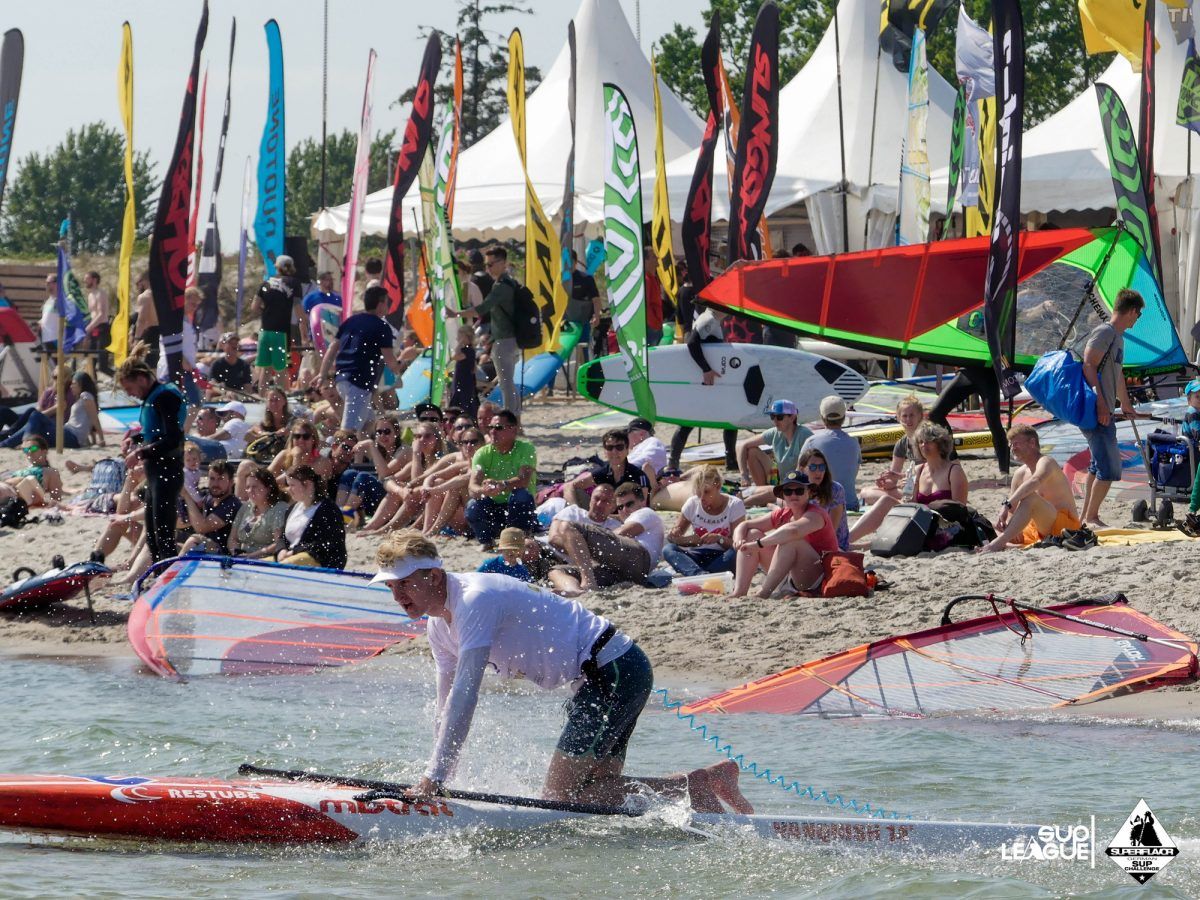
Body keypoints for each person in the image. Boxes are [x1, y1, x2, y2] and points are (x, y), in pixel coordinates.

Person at [370, 530, 753, 811]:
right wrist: (441, 779)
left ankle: (693, 787)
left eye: (405, 584)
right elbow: (446, 705)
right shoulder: (439, 626)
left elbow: (466, 696)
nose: (398, 595)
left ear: (433, 576)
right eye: (391, 587)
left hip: (615, 670)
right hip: (605, 674)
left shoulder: (473, 601)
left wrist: (432, 780)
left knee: (560, 798)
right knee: (593, 792)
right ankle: (698, 784)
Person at [1080, 288, 1144, 526]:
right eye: (1138, 315)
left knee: (1097, 465)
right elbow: (1088, 365)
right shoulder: (1105, 332)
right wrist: (1101, 404)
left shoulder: (1117, 337)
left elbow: (1117, 376)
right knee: (1108, 467)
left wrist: (1126, 406)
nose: (1137, 320)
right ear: (1132, 311)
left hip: (1104, 409)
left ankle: (1086, 515)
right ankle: (1092, 516)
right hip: (1096, 410)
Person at [317, 284, 414, 433]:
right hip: (359, 383)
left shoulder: (350, 321)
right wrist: (402, 361)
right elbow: (391, 362)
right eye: (387, 303)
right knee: (347, 432)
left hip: (341, 380)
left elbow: (332, 349)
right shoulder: (382, 326)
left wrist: (322, 374)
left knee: (369, 425)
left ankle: (366, 455)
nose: (388, 306)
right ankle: (340, 454)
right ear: (381, 305)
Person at [118, 357, 186, 563]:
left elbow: (173, 439)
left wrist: (140, 454)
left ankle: (168, 578)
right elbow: (154, 433)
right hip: (156, 473)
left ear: (141, 378)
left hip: (168, 472)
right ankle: (159, 576)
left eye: (130, 387)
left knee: (163, 534)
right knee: (153, 535)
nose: (130, 393)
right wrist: (134, 439)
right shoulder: (153, 398)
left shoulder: (165, 397)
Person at [731, 469, 838, 599]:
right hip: (791, 576)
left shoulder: (816, 514)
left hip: (818, 578)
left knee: (791, 540)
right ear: (783, 495)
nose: (793, 495)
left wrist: (758, 544)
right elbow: (745, 525)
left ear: (809, 492)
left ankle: (763, 593)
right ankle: (739, 592)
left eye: (799, 490)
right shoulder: (783, 513)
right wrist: (738, 541)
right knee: (752, 533)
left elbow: (793, 531)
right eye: (788, 491)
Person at [980, 425, 1082, 552]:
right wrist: (1008, 525)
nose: (1012, 448)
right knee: (989, 524)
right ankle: (1004, 541)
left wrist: (1006, 504)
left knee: (1031, 498)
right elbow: (1013, 511)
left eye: (1016, 444)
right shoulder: (1019, 474)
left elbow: (1035, 481)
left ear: (1032, 443)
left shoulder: (1047, 462)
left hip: (1065, 528)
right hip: (1036, 530)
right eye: (1010, 445)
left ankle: (997, 544)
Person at [548, 483, 663, 594]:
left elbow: (622, 533)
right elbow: (553, 539)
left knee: (569, 526)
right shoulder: (621, 521)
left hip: (639, 558)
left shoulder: (646, 512)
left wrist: (579, 542)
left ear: (642, 502)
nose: (624, 510)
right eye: (620, 507)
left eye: (629, 504)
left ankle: (588, 582)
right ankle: (574, 590)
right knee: (556, 571)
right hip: (625, 573)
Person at [847, 394, 925, 545]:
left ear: (920, 416)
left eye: (911, 416)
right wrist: (886, 482)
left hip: (921, 491)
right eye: (905, 416)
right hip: (908, 489)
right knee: (866, 491)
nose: (908, 420)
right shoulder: (902, 443)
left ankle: (847, 540)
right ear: (898, 418)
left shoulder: (924, 441)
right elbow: (894, 475)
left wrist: (898, 478)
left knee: (878, 498)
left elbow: (930, 473)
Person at [668, 300, 737, 470]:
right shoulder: (709, 319)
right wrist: (706, 369)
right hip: (704, 379)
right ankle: (673, 461)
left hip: (711, 380)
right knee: (689, 420)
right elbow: (692, 343)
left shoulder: (712, 319)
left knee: (730, 418)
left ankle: (731, 461)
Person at [465, 409, 537, 546]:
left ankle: (518, 538)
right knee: (472, 505)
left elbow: (524, 480)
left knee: (521, 495)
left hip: (518, 509)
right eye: (490, 427)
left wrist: (502, 484)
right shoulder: (482, 453)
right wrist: (484, 490)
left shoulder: (526, 449)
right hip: (494, 508)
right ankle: (487, 542)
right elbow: (472, 486)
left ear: (513, 430)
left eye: (498, 428)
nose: (492, 431)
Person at [663, 465, 744, 577]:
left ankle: (697, 574)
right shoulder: (692, 503)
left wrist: (719, 539)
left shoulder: (734, 505)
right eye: (698, 493)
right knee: (668, 549)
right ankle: (700, 575)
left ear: (718, 486)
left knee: (738, 552)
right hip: (697, 555)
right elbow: (673, 539)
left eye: (706, 492)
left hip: (723, 556)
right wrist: (680, 536)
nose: (701, 498)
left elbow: (736, 544)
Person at [929, 364, 1009, 477]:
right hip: (965, 372)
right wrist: (919, 359)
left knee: (994, 423)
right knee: (935, 414)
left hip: (988, 375)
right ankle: (953, 460)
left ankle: (1004, 470)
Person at [737, 399, 814, 507]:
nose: (775, 421)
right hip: (780, 480)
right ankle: (757, 496)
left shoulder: (804, 435)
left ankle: (741, 504)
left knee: (764, 492)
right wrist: (744, 475)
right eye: (772, 416)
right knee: (752, 451)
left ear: (792, 417)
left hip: (797, 486)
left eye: (779, 417)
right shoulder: (775, 432)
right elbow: (742, 445)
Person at [0, 370, 104, 450]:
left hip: (71, 437)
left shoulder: (85, 395)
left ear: (82, 385)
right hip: (69, 435)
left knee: (36, 415)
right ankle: (6, 444)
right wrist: (92, 440)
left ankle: (16, 443)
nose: (71, 386)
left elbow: (94, 418)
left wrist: (101, 439)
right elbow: (87, 421)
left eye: (74, 383)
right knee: (35, 422)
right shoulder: (80, 399)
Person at [472, 246, 521, 412]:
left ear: (503, 263)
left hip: (505, 341)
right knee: (508, 383)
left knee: (506, 383)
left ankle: (511, 421)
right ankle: (516, 421)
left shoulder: (501, 286)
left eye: (491, 264)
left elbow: (482, 308)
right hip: (509, 339)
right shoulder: (510, 282)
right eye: (487, 265)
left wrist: (455, 313)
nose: (488, 269)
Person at [251, 254, 309, 393]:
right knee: (281, 369)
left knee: (265, 370)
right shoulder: (294, 283)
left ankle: (262, 399)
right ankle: (282, 400)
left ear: (277, 267)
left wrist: (268, 311)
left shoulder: (265, 283)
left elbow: (254, 307)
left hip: (264, 332)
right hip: (281, 333)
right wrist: (304, 335)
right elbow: (299, 311)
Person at [279, 464, 347, 569]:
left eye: (292, 485)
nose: (289, 489)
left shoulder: (328, 510)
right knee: (259, 565)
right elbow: (282, 537)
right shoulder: (292, 509)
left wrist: (295, 552)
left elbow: (328, 543)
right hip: (291, 555)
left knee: (282, 567)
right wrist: (282, 550)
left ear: (308, 484)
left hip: (321, 559)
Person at [800, 396, 861, 511]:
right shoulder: (854, 443)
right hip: (850, 504)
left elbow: (800, 472)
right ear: (843, 418)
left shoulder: (811, 441)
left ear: (822, 417)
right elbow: (853, 474)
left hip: (822, 505)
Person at [564, 429, 650, 507]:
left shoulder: (638, 475)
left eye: (619, 447)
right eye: (610, 448)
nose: (614, 452)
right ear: (605, 452)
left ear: (627, 450)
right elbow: (569, 486)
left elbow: (641, 509)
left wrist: (606, 518)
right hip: (604, 518)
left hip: (628, 519)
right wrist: (574, 508)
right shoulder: (602, 473)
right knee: (576, 491)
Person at [178, 460, 243, 554]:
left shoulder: (232, 504)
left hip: (222, 555)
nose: (215, 484)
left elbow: (202, 528)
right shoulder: (207, 497)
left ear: (231, 482)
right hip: (204, 548)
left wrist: (187, 496)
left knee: (193, 541)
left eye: (220, 479)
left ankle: (176, 568)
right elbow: (183, 522)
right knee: (158, 546)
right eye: (212, 478)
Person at [227, 466, 290, 559]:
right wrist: (236, 553)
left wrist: (251, 556)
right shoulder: (246, 507)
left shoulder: (279, 509)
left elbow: (279, 543)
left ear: (268, 488)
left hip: (266, 560)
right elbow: (232, 539)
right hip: (242, 559)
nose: (250, 491)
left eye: (255, 487)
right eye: (248, 487)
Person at [798, 447, 849, 551]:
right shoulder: (797, 491)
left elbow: (831, 531)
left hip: (834, 545)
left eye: (822, 467)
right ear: (802, 469)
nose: (818, 472)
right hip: (807, 543)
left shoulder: (835, 489)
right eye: (813, 467)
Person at [0, 435, 63, 508]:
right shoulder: (25, 469)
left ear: (44, 451)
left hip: (10, 492)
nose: (29, 452)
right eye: (25, 450)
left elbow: (56, 499)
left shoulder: (50, 472)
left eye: (33, 448)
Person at [567, 249, 602, 363]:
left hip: (582, 323)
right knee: (559, 354)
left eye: (570, 261)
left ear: (575, 262)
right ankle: (551, 381)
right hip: (565, 325)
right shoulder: (559, 280)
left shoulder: (586, 278)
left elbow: (596, 300)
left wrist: (597, 315)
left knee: (583, 352)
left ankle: (584, 378)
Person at [448, 324, 479, 420]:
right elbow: (474, 368)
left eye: (459, 336)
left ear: (465, 337)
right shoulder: (469, 350)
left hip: (463, 383)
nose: (457, 338)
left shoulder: (468, 351)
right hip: (463, 381)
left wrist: (459, 343)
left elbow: (453, 356)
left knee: (462, 404)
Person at [131, 270, 160, 371]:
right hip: (162, 331)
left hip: (150, 333)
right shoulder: (162, 294)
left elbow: (141, 320)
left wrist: (137, 339)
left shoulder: (145, 296)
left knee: (148, 366)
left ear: (144, 281)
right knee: (158, 364)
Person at [84, 271, 112, 375]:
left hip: (102, 329)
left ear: (94, 280)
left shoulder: (101, 294)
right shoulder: (90, 295)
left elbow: (101, 314)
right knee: (90, 363)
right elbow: (92, 315)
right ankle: (92, 388)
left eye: (87, 278)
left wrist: (88, 328)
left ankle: (120, 381)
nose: (85, 281)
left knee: (102, 366)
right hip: (93, 329)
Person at [627, 417, 667, 489]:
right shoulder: (644, 445)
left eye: (628, 432)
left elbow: (647, 461)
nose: (626, 437)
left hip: (640, 480)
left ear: (641, 434)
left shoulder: (652, 441)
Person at [38, 273, 59, 352]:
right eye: (46, 283)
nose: (46, 285)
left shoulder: (62, 300)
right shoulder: (48, 301)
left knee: (58, 364)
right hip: (46, 339)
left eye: (49, 282)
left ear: (57, 283)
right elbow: (46, 318)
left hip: (56, 340)